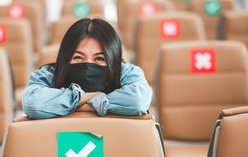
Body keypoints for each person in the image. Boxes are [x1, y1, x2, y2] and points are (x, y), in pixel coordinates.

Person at [22, 18, 152, 119]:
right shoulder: (49, 73)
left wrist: (73, 104)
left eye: (100, 59)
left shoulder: (125, 72)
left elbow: (138, 100)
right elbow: (32, 103)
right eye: (78, 57)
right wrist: (90, 97)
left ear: (113, 60)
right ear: (65, 57)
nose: (88, 66)